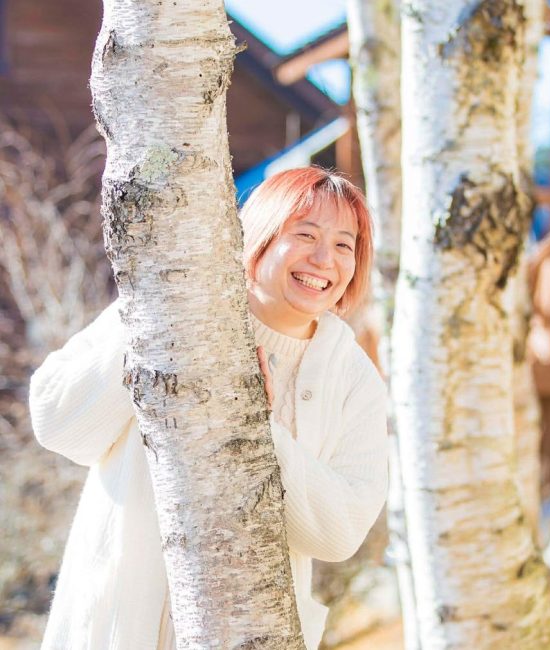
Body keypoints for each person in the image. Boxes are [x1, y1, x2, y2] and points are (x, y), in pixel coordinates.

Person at [29, 166, 388, 650]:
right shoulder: (176, 302)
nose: (324, 259)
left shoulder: (354, 377)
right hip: (116, 623)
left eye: (344, 245)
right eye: (305, 234)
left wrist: (255, 427)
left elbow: (340, 532)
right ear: (260, 236)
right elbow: (57, 422)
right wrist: (161, 322)